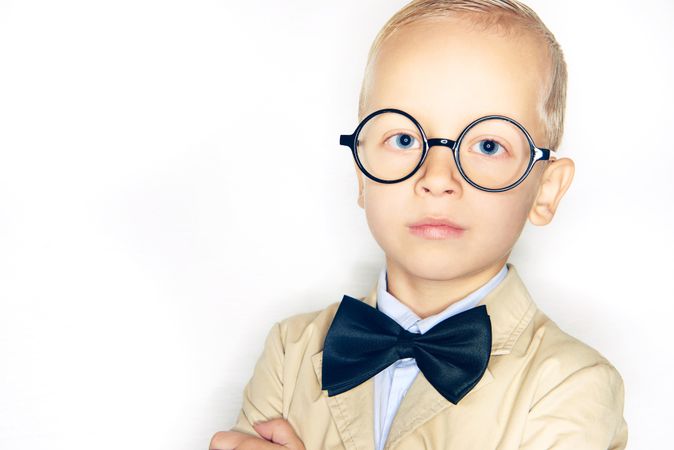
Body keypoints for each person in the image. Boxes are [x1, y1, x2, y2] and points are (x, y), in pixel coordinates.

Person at [210, 0, 628, 448]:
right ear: (361, 173)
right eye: (404, 139)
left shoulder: (572, 385)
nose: (437, 178)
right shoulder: (291, 351)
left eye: (488, 145)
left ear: (546, 190)